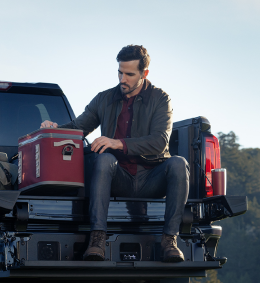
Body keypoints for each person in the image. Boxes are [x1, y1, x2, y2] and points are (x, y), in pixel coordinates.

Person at [40, 45, 189, 262]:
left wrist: (117, 143)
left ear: (144, 73)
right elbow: (78, 127)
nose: (123, 79)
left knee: (178, 163)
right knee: (104, 158)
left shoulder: (161, 99)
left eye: (129, 74)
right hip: (118, 178)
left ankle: (169, 241)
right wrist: (54, 129)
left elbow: (160, 142)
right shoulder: (104, 99)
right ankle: (97, 239)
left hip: (151, 179)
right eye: (120, 72)